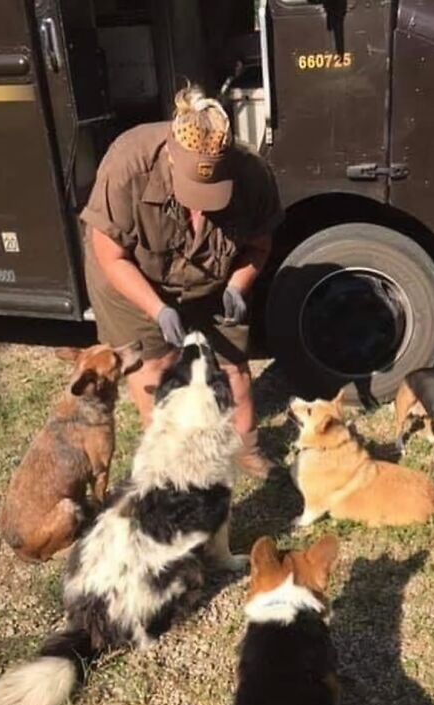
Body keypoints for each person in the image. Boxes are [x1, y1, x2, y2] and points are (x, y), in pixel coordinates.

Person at [80, 84, 283, 478]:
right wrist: (157, 309)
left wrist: (238, 286)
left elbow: (259, 245)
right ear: (171, 159)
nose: (201, 207)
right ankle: (169, 461)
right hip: (133, 276)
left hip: (214, 277)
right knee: (155, 367)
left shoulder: (253, 175)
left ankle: (247, 448)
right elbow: (110, 254)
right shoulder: (128, 164)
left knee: (234, 367)